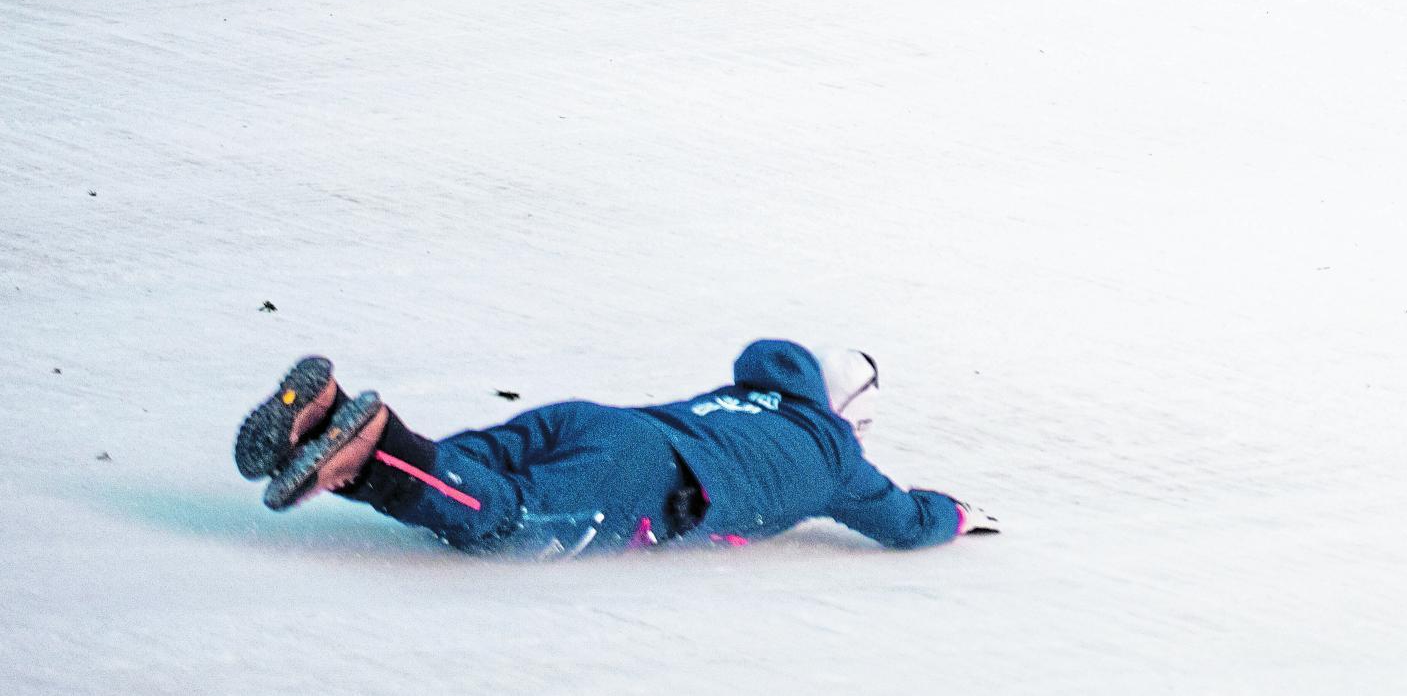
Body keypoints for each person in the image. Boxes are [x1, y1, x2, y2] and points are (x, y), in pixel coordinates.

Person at [233, 341, 1000, 557]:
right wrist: (958, 513)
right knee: (504, 518)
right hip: (652, 478)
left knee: (473, 463)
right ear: (849, 416)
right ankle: (368, 452)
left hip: (598, 421)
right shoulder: (840, 461)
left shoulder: (752, 396)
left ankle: (327, 418)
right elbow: (904, 521)